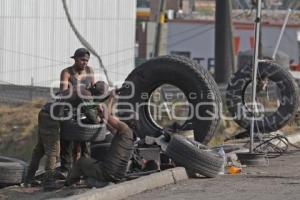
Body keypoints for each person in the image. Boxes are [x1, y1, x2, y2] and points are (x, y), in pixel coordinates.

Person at [65, 91, 136, 188]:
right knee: (91, 164)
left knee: (81, 161)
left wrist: (102, 106)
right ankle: (94, 181)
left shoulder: (124, 128)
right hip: (118, 175)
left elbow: (109, 117)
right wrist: (110, 100)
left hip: (107, 172)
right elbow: (108, 122)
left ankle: (68, 184)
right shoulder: (127, 135)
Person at [59, 48, 96, 177]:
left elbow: (94, 91)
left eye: (86, 60)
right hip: (70, 110)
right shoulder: (67, 72)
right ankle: (66, 170)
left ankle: (84, 169)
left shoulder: (90, 71)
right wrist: (76, 92)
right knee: (66, 141)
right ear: (75, 59)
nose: (84, 62)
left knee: (85, 141)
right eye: (82, 59)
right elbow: (63, 92)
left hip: (85, 110)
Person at [24, 104, 61, 191]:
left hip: (45, 112)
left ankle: (29, 179)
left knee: (40, 148)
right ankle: (48, 182)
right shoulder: (86, 95)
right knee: (53, 150)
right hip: (51, 116)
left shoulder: (72, 92)